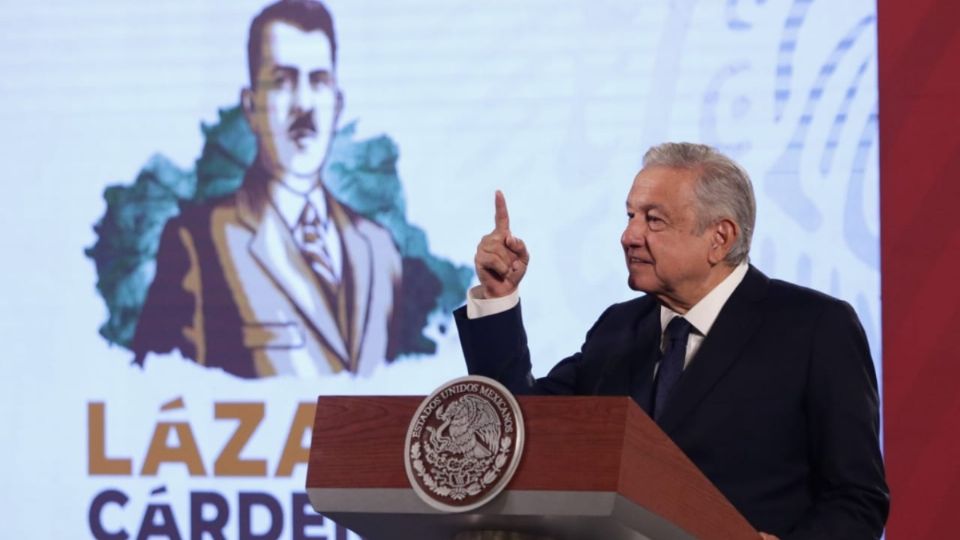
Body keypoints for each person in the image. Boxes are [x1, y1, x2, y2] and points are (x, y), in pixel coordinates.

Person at [454, 143, 889, 539]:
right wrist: (498, 297)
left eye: (653, 220)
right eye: (630, 216)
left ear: (719, 238)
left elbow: (857, 499)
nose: (629, 236)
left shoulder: (814, 328)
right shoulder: (617, 329)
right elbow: (517, 430)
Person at [134, 0, 401, 378]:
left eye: (319, 81)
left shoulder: (379, 250)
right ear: (251, 105)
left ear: (337, 104)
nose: (304, 104)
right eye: (282, 81)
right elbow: (155, 393)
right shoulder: (197, 243)